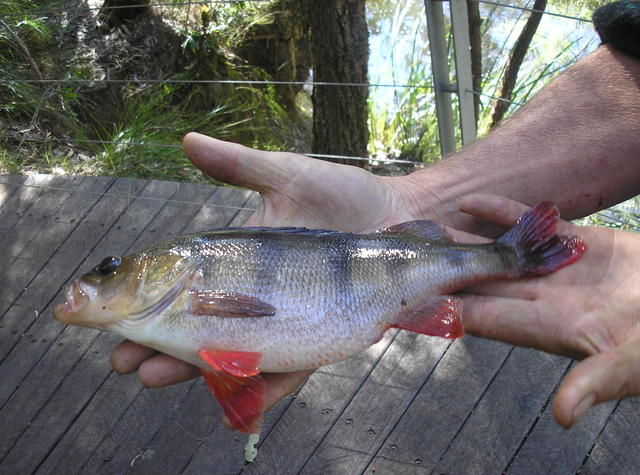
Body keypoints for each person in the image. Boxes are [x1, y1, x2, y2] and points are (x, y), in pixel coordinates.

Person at [111, 40, 640, 429]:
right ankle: (513, 254)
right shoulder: (175, 302)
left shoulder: (188, 276)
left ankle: (513, 255)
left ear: (165, 267)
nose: (104, 278)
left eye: (112, 269)